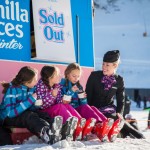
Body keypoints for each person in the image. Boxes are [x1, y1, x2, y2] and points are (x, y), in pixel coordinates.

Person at [86, 50, 145, 141]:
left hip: (109, 109)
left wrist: (120, 113)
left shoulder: (119, 80)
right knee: (111, 119)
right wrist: (89, 112)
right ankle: (122, 133)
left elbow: (121, 99)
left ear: (115, 65)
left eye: (107, 65)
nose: (104, 67)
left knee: (117, 118)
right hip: (95, 109)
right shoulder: (94, 76)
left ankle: (137, 135)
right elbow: (88, 97)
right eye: (103, 64)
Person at [0, 66, 63, 145]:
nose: (36, 82)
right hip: (7, 118)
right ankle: (45, 133)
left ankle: (58, 131)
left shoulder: (31, 89)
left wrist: (36, 105)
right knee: (28, 116)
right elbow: (10, 113)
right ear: (27, 82)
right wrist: (30, 101)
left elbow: (30, 107)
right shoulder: (12, 89)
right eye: (34, 80)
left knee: (42, 114)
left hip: (22, 114)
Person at [60, 63, 114, 142]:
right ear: (67, 74)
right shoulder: (62, 85)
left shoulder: (79, 86)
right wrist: (71, 91)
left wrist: (83, 99)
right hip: (69, 111)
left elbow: (83, 104)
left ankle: (105, 124)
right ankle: (99, 126)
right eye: (74, 76)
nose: (76, 78)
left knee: (91, 107)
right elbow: (64, 102)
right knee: (85, 107)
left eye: (78, 76)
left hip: (77, 109)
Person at [35, 65, 84, 141]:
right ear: (50, 77)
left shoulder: (56, 86)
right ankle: (72, 125)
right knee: (60, 107)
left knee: (66, 105)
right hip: (43, 111)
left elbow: (58, 101)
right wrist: (52, 95)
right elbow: (41, 105)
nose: (59, 76)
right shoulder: (40, 86)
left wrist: (63, 101)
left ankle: (79, 123)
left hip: (53, 109)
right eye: (57, 75)